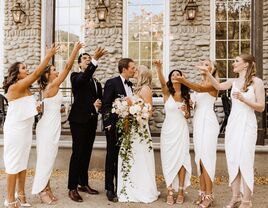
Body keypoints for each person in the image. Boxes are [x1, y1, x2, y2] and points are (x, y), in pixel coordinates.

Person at [197, 54, 265, 208]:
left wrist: (244, 99)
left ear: (246, 65)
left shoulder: (257, 82)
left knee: (245, 161)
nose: (233, 63)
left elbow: (261, 106)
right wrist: (208, 73)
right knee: (233, 160)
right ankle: (235, 197)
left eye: (236, 61)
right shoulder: (233, 82)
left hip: (247, 124)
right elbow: (218, 86)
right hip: (233, 125)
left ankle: (246, 200)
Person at [3, 44, 59, 208]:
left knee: (22, 163)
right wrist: (48, 56)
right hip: (15, 130)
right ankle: (9, 198)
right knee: (13, 164)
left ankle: (21, 195)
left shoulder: (25, 89)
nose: (26, 70)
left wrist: (35, 109)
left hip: (26, 130)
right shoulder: (15, 87)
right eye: (23, 68)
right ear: (16, 73)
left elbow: (24, 108)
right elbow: (36, 74)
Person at [32, 42, 84, 204]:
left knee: (49, 158)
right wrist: (75, 49)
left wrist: (61, 109)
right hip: (47, 127)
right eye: (54, 70)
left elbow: (49, 106)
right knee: (45, 159)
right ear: (47, 75)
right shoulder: (53, 85)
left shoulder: (50, 87)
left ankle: (47, 188)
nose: (57, 71)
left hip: (52, 124)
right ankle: (42, 191)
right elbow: (68, 67)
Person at [176, 59, 220, 208]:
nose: (203, 65)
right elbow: (196, 96)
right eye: (202, 63)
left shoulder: (214, 83)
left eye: (207, 64)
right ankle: (202, 192)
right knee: (200, 159)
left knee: (207, 158)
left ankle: (209, 195)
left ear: (213, 69)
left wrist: (184, 80)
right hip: (198, 121)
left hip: (208, 122)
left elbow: (201, 90)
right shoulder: (200, 84)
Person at [67, 47, 107, 202]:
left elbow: (99, 100)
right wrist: (95, 60)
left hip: (91, 120)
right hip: (78, 120)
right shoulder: (75, 76)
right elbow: (83, 80)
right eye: (85, 58)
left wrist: (98, 105)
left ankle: (83, 183)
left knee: (86, 152)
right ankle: (72, 187)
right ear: (79, 64)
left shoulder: (96, 82)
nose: (88, 59)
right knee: (77, 153)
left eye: (89, 58)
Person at [117, 65, 159, 203]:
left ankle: (142, 189)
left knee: (139, 156)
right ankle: (130, 188)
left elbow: (149, 111)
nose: (134, 72)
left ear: (142, 74)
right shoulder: (138, 88)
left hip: (139, 128)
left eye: (136, 71)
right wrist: (126, 109)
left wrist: (133, 110)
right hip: (132, 127)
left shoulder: (146, 89)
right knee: (130, 156)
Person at [154, 60, 192, 205]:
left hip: (181, 130)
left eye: (178, 74)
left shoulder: (187, 95)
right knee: (169, 159)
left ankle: (181, 191)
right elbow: (163, 83)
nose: (175, 76)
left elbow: (188, 116)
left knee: (182, 159)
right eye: (173, 75)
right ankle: (170, 191)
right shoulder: (167, 93)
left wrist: (186, 112)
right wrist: (159, 68)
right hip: (168, 131)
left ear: (182, 77)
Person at [102, 58, 136, 202]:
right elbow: (106, 105)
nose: (134, 70)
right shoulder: (112, 82)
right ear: (124, 69)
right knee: (112, 156)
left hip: (129, 127)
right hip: (114, 126)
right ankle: (110, 188)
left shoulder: (131, 85)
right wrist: (108, 123)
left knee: (124, 157)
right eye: (132, 68)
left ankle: (122, 185)